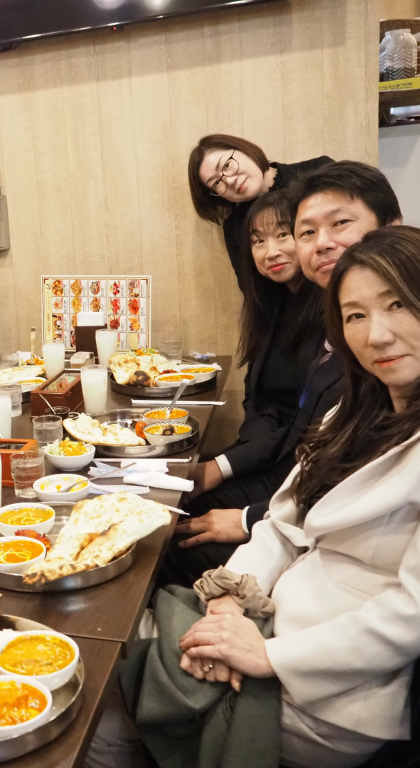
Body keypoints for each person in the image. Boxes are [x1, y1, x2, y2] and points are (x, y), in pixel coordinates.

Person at [88, 225, 420, 768]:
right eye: (356, 315)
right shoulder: (357, 411)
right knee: (114, 649)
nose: (377, 335)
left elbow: (411, 613)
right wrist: (229, 600)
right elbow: (282, 523)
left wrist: (268, 655)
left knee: (98, 709)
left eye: (398, 304)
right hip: (264, 615)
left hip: (333, 686)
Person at [163, 162, 402, 587]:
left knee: (166, 548)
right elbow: (275, 414)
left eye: (340, 223)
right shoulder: (296, 311)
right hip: (291, 493)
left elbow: (349, 484)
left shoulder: (380, 348)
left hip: (326, 539)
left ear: (392, 227)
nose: (322, 243)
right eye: (308, 231)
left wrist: (249, 516)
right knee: (167, 517)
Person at [187, 134, 332, 293]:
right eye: (216, 183)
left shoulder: (318, 171)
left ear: (245, 150)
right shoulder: (236, 225)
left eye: (227, 165)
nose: (229, 181)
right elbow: (253, 291)